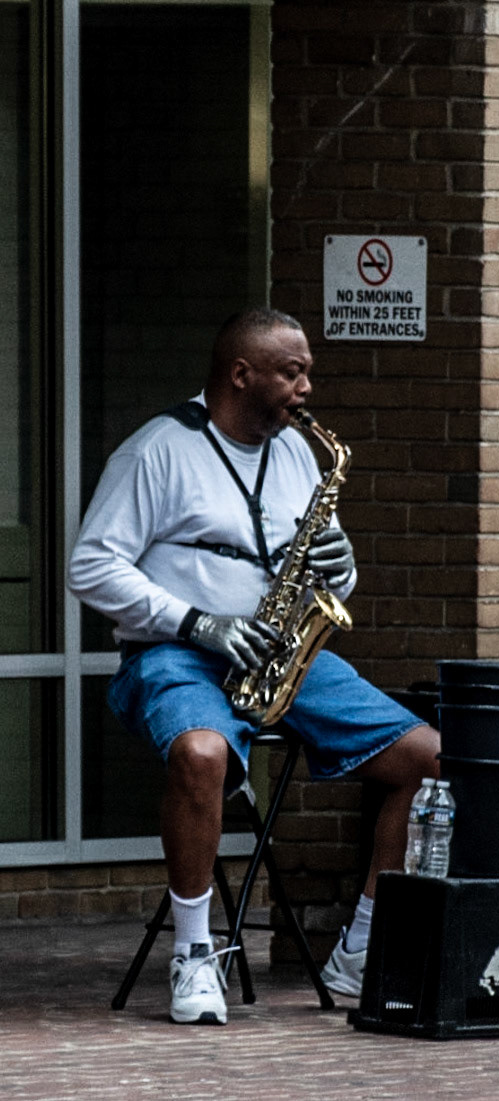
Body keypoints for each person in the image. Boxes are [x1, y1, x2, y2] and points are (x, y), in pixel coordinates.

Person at [68, 307, 440, 1025]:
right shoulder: (158, 451)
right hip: (176, 652)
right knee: (201, 752)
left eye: (307, 372)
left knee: (430, 758)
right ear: (242, 374)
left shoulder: (300, 452)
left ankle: (362, 944)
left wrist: (345, 568)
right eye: (293, 371)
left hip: (284, 650)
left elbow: (327, 568)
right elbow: (90, 563)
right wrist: (196, 621)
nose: (307, 387)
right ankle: (195, 954)